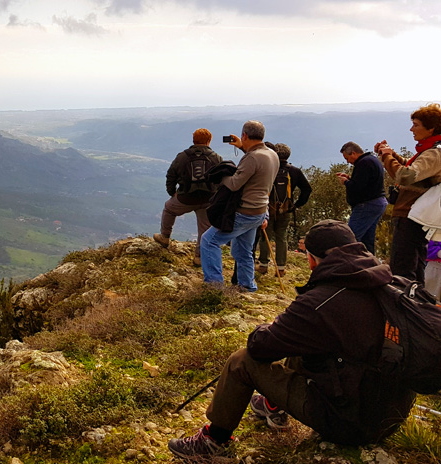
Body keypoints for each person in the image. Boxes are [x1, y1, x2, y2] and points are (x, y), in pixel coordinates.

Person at [169, 220, 415, 461]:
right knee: (307, 343)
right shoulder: (392, 285)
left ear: (311, 260)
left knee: (241, 361)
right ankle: (272, 406)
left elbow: (260, 347)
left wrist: (272, 327)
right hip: (392, 415)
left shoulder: (320, 302)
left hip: (349, 422)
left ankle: (214, 440)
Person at [200, 120, 278, 292]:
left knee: (208, 241)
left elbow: (234, 184)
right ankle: (247, 286)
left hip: (244, 212)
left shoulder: (253, 158)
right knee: (243, 251)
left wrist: (220, 174)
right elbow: (256, 168)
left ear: (244, 135)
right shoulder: (272, 154)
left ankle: (214, 286)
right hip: (259, 212)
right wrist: (243, 147)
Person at [375, 103, 441, 283]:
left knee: (403, 270)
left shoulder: (434, 153)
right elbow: (415, 169)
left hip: (411, 216)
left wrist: (388, 157)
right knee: (415, 267)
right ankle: (418, 306)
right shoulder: (430, 150)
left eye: (416, 124)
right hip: (413, 216)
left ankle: (406, 307)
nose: (411, 129)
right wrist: (391, 154)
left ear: (431, 128)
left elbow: (406, 176)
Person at [154, 128, 222, 266]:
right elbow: (223, 178)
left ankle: (165, 237)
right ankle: (199, 257)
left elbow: (171, 175)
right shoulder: (216, 158)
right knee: (204, 228)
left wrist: (172, 192)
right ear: (209, 141)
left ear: (193, 140)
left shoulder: (182, 157)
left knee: (169, 208)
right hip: (207, 199)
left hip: (185, 198)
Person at [257, 143, 311, 276]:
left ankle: (263, 265)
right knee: (282, 236)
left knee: (265, 236)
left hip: (268, 208)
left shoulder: (269, 168)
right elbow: (307, 189)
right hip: (286, 209)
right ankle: (280, 268)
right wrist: (297, 204)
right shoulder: (294, 171)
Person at [336, 141, 388, 255]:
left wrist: (346, 182)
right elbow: (367, 182)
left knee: (350, 238)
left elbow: (357, 187)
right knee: (367, 241)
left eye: (347, 158)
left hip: (367, 204)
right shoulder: (372, 160)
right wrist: (349, 178)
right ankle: (369, 265)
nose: (348, 162)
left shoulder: (363, 163)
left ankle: (347, 265)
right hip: (377, 202)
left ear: (353, 153)